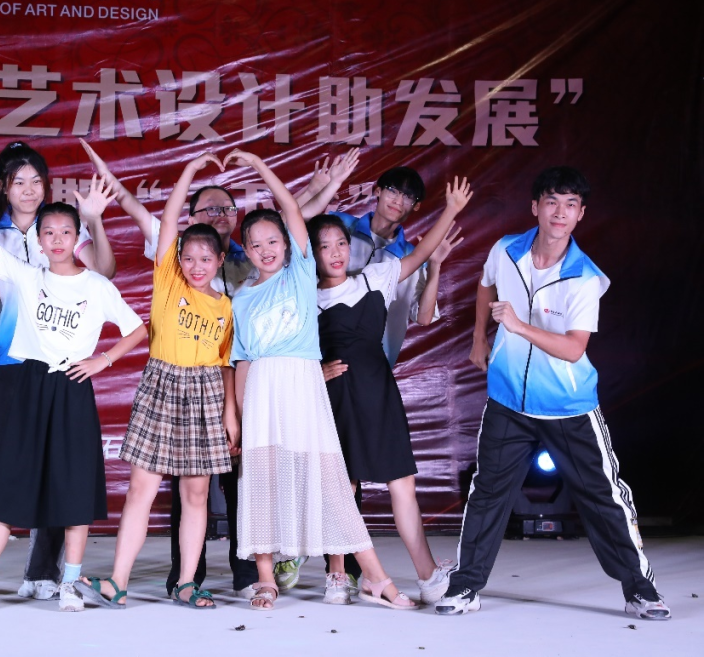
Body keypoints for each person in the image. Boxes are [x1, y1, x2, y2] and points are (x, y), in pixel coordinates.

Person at [436, 167, 670, 620]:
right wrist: (479, 339)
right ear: (535, 207)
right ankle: (465, 586)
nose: (559, 213)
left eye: (570, 205)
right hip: (508, 400)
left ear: (581, 214)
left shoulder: (585, 278)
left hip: (568, 406)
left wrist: (518, 326)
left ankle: (640, 589)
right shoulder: (506, 250)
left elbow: (573, 348)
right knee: (487, 493)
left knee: (604, 497)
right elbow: (486, 284)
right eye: (551, 202)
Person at [0, 178, 146, 612]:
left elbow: (138, 329)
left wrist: (102, 361)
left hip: (72, 388)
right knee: (9, 482)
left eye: (66, 232)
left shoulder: (96, 286)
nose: (57, 239)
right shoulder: (27, 276)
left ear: (78, 237)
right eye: (48, 232)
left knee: (71, 488)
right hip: (30, 385)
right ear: (38, 240)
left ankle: (69, 586)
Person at [225, 148, 416, 611]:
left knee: (332, 482)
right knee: (262, 482)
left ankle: (375, 577)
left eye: (274, 240)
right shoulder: (243, 297)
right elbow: (242, 360)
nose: (267, 250)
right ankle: (266, 579)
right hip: (263, 392)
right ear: (246, 250)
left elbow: (292, 210)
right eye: (256, 244)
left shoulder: (300, 273)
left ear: (287, 244)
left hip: (304, 386)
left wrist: (260, 166)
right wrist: (239, 417)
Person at [81, 139, 260, 598]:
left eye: (206, 259)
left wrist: (231, 413)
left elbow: (226, 365)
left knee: (196, 495)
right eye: (189, 258)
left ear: (220, 261)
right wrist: (189, 170)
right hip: (162, 383)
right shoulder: (168, 278)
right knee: (140, 490)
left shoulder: (228, 308)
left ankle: (185, 583)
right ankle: (118, 581)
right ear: (177, 258)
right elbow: (170, 215)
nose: (197, 266)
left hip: (207, 393)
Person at [288, 160, 459, 601]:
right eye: (324, 246)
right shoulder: (303, 297)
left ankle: (428, 576)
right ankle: (338, 575)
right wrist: (314, 374)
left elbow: (422, 254)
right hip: (336, 395)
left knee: (403, 484)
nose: (336, 252)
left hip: (380, 390)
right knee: (342, 487)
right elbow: (285, 352)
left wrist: (451, 210)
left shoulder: (377, 276)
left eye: (341, 244)